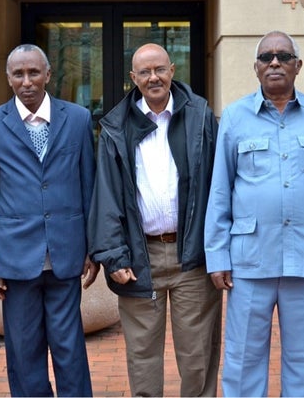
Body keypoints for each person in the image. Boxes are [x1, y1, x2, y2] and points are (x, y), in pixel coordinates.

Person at [204, 31, 304, 397]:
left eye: (284, 56)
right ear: (256, 68)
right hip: (250, 260)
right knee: (242, 359)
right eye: (267, 57)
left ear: (298, 66)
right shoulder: (235, 117)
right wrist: (217, 255)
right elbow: (220, 191)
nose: (275, 62)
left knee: (303, 359)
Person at [88, 43, 222, 397]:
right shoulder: (116, 126)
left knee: (197, 357)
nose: (153, 77)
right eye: (144, 72)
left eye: (159, 69)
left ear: (173, 70)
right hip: (138, 255)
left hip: (191, 255)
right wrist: (113, 255)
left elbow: (218, 184)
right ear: (133, 78)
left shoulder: (200, 116)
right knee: (143, 356)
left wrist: (219, 248)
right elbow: (106, 196)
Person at [0, 44, 98, 397]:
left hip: (66, 253)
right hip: (15, 257)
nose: (27, 82)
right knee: (24, 351)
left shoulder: (77, 119)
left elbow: (88, 188)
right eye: (18, 74)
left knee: (69, 347)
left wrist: (92, 247)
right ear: (8, 78)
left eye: (33, 73)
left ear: (48, 74)